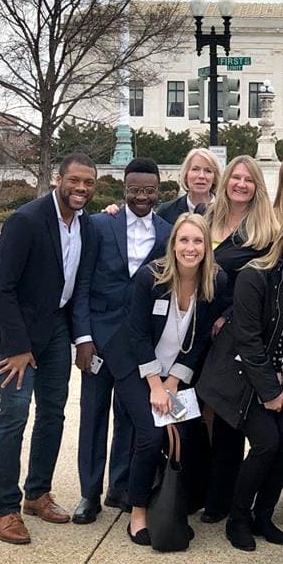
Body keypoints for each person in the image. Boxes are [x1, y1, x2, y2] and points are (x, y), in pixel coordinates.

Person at [0, 153, 97, 544]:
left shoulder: (86, 228)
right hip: (14, 335)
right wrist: (16, 347)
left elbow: (77, 288)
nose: (81, 188)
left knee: (53, 414)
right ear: (58, 180)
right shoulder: (25, 221)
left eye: (89, 183)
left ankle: (37, 493)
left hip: (56, 332)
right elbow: (2, 287)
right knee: (13, 416)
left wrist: (81, 338)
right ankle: (6, 508)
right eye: (75, 180)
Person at [198, 213, 283, 551]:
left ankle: (263, 516)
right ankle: (238, 518)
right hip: (244, 380)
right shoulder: (254, 276)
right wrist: (271, 391)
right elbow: (248, 339)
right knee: (266, 442)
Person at [107, 213, 228, 545]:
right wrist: (156, 385)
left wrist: (174, 381)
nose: (190, 248)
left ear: (207, 246)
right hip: (137, 369)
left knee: (186, 435)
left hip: (176, 373)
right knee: (149, 435)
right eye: (184, 240)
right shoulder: (151, 278)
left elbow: (201, 338)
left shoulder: (215, 282)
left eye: (198, 241)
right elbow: (137, 334)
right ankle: (138, 512)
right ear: (173, 244)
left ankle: (174, 504)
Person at [70, 158, 172, 524]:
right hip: (98, 341)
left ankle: (121, 486)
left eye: (148, 190)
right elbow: (81, 284)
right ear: (123, 189)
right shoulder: (99, 224)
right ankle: (89, 495)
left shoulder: (168, 232)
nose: (141, 196)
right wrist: (82, 337)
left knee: (131, 418)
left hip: (138, 344)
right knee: (93, 417)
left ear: (159, 191)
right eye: (134, 190)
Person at [199, 154, 281, 522]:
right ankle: (198, 491)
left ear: (257, 185)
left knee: (229, 417)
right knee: (201, 417)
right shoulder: (206, 219)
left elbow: (263, 285)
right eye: (236, 178)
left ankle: (223, 499)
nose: (242, 185)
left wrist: (230, 316)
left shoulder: (264, 229)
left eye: (249, 179)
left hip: (232, 332)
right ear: (226, 181)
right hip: (196, 327)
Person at [156, 147, 221, 223]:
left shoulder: (227, 211)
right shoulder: (166, 212)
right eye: (195, 169)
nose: (201, 176)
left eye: (208, 171)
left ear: (215, 178)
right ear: (186, 174)